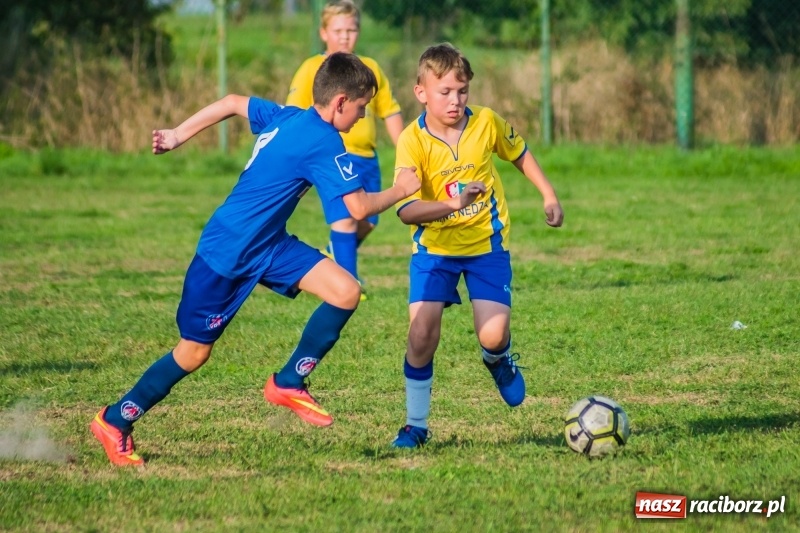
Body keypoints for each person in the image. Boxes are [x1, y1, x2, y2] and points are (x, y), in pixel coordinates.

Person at [89, 52, 420, 466]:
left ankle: (289, 381)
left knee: (345, 291)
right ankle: (116, 418)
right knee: (193, 353)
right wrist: (402, 188)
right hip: (227, 252)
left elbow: (231, 102)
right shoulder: (324, 140)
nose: (360, 116)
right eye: (360, 108)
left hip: (268, 245)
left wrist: (178, 134)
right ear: (339, 102)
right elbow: (357, 208)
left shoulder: (287, 115)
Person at [389, 43, 564, 448]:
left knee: (493, 335)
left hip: (487, 245)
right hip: (434, 251)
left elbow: (518, 153)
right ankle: (415, 425)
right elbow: (407, 211)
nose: (455, 100)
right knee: (420, 335)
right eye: (444, 92)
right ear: (421, 93)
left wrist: (548, 194)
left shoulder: (486, 122)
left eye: (462, 91)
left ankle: (498, 359)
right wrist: (453, 203)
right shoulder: (412, 141)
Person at [286, 0, 404, 298]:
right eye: (338, 30)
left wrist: (405, 149)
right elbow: (293, 112)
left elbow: (389, 111)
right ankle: (349, 284)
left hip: (366, 158)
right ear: (323, 32)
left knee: (369, 220)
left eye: (351, 30)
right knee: (347, 218)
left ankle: (334, 252)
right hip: (331, 158)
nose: (345, 36)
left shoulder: (369, 69)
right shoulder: (312, 68)